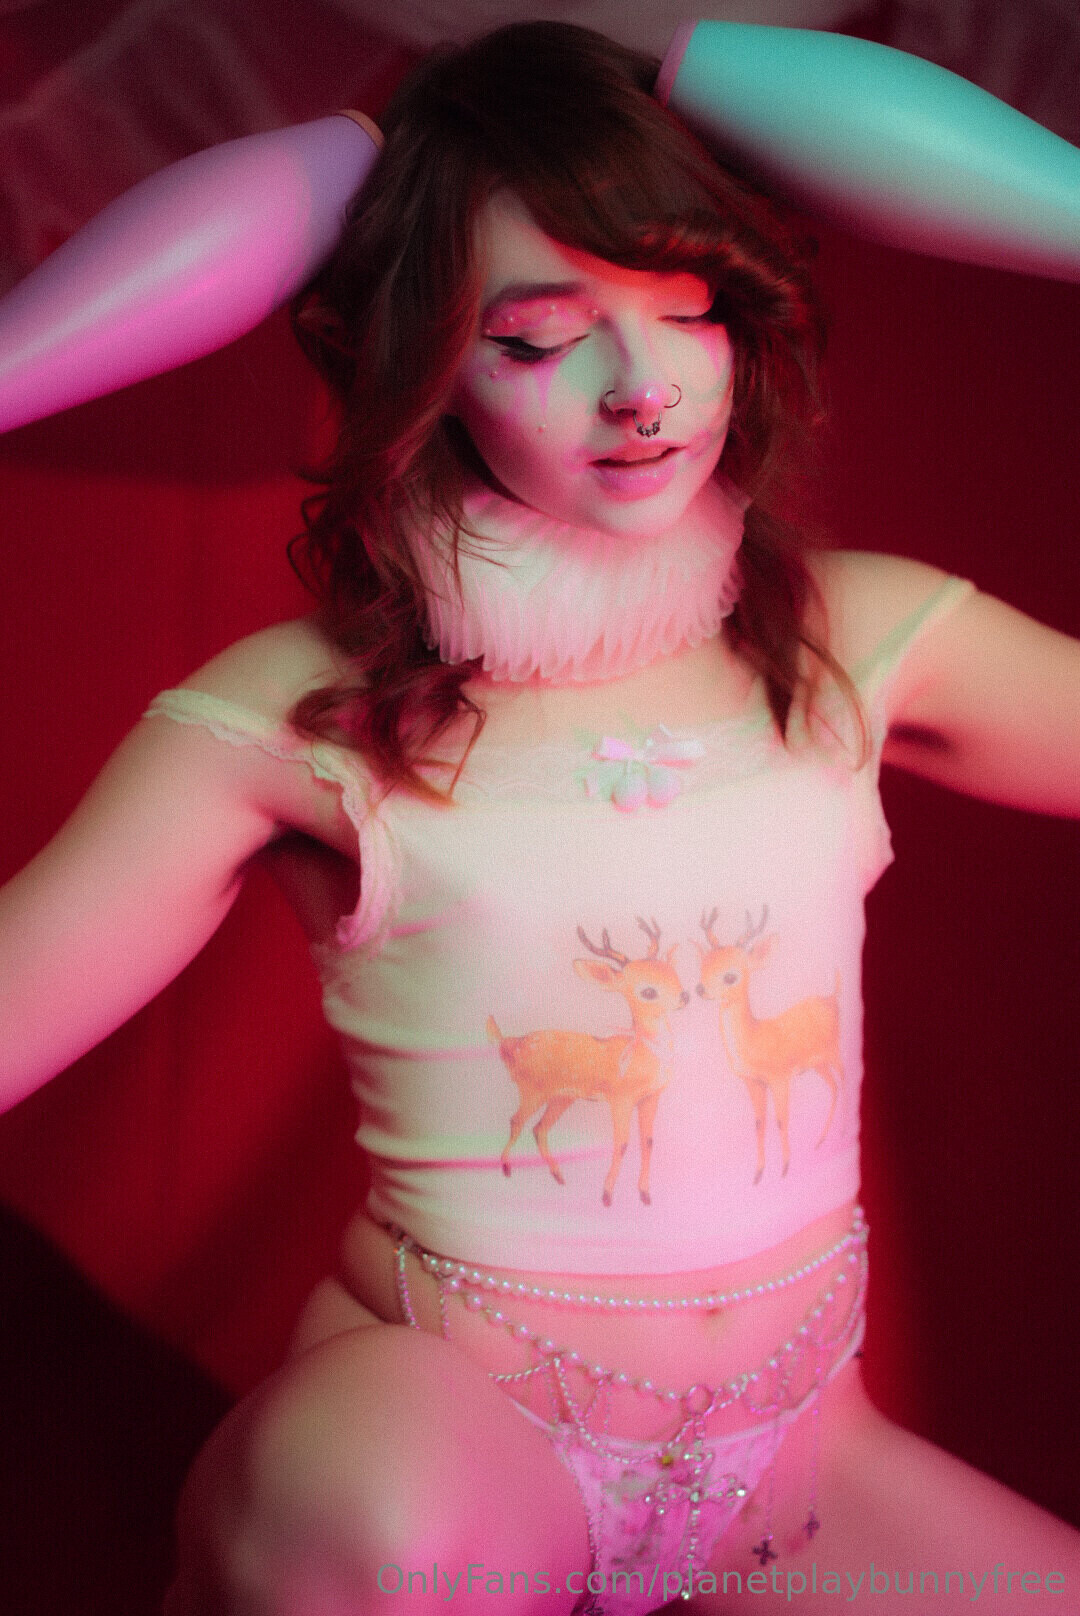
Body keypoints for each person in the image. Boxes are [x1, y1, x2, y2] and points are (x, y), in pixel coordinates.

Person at [1, 21, 1078, 1616]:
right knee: (378, 1525)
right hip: (446, 1447)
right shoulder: (304, 721)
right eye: (537, 338)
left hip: (792, 1463)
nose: (642, 391)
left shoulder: (854, 643)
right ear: (423, 367)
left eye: (686, 310)